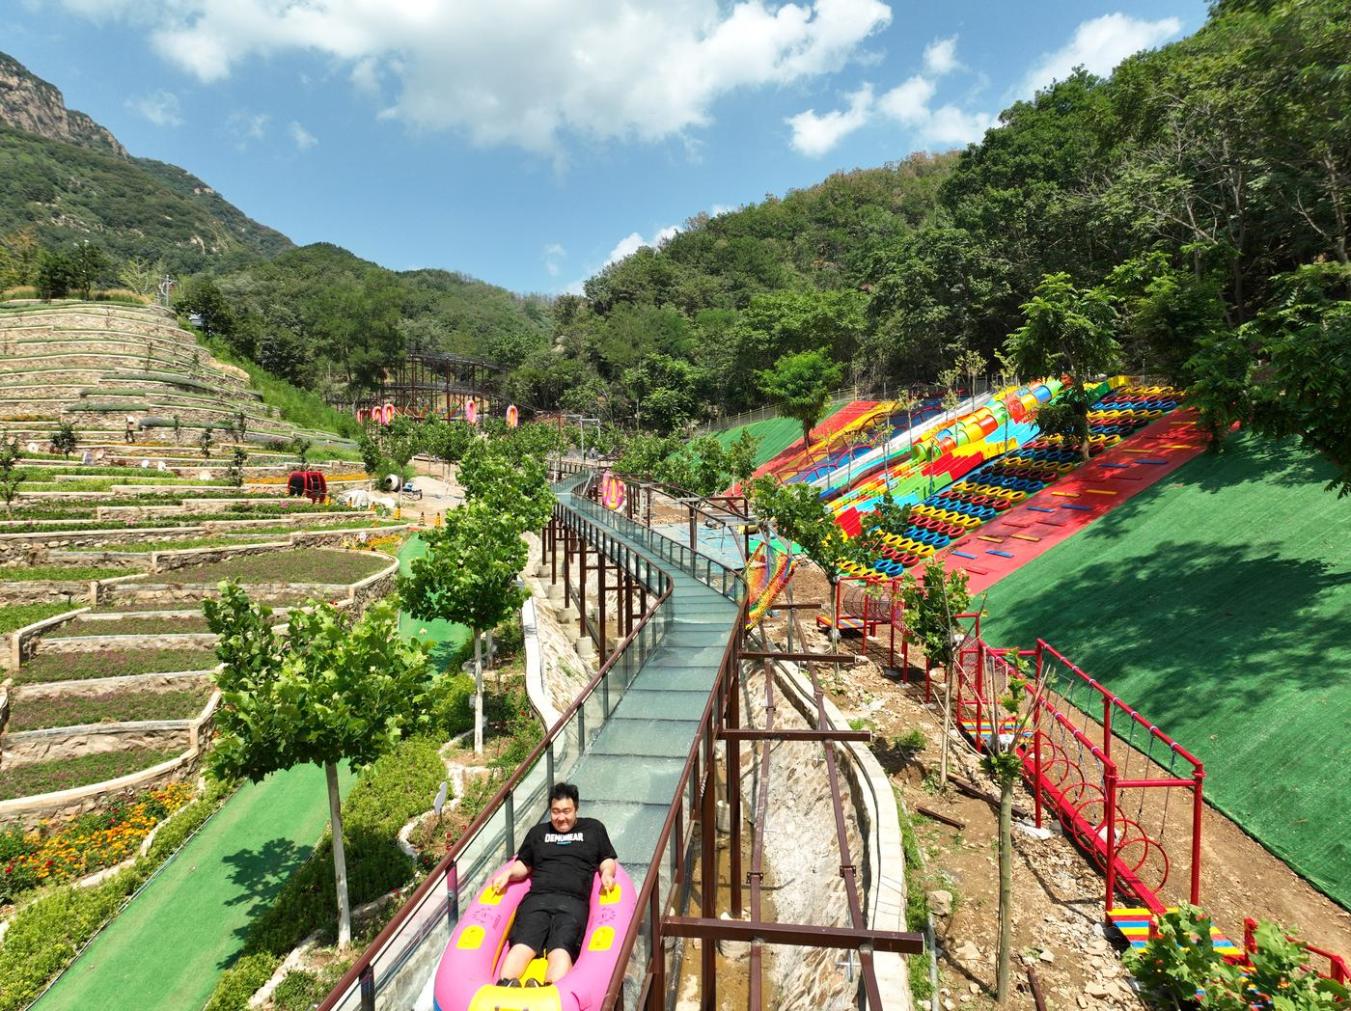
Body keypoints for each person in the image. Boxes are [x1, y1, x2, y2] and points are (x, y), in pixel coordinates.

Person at [489, 782, 617, 988]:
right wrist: (509, 874)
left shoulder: (593, 829)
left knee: (561, 948)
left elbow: (607, 859)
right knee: (522, 945)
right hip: (537, 899)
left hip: (573, 903)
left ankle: (548, 988)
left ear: (576, 808)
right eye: (556, 811)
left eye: (566, 811)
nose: (561, 817)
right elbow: (524, 864)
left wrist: (607, 874)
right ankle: (506, 985)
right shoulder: (538, 833)